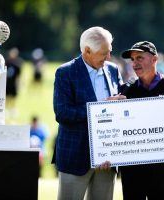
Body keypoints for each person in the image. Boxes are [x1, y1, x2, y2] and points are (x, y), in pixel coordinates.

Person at [53, 26, 125, 200]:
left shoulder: (113, 70)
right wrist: (100, 109)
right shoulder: (65, 72)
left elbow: (125, 100)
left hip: (107, 158)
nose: (108, 57)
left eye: (109, 52)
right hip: (75, 156)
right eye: (103, 53)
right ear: (87, 50)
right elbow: (62, 113)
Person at [120, 41, 164, 200]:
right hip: (131, 168)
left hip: (161, 167)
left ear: (155, 59)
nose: (135, 63)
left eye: (140, 58)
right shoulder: (125, 91)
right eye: (133, 60)